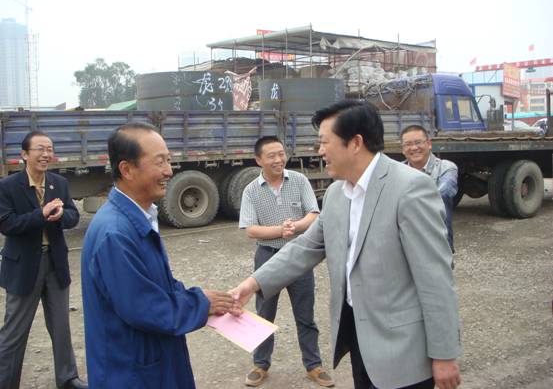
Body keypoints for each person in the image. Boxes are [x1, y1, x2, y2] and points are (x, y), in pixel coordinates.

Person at [231, 100, 462, 389]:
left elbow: (435, 277)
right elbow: (304, 248)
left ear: (355, 143)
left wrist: (444, 354)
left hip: (404, 350)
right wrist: (251, 284)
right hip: (358, 339)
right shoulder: (336, 194)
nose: (320, 151)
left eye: (324, 142)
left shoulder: (410, 188)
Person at [80, 123, 237, 388]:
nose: (169, 170)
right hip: (130, 372)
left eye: (169, 160)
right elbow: (144, 308)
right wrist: (200, 304)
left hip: (149, 359)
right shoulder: (115, 233)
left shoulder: (138, 217)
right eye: (159, 162)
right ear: (127, 169)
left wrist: (200, 298)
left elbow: (155, 283)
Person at [239, 136, 334, 387]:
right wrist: (280, 230)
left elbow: (313, 213)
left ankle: (313, 365)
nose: (278, 159)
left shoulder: (299, 180)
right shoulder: (251, 190)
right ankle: (261, 364)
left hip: (300, 256)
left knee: (305, 314)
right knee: (264, 313)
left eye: (281, 154)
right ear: (258, 160)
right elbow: (250, 230)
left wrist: (297, 226)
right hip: (267, 256)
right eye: (271, 155)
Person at [0, 131, 87, 389]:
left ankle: (68, 378)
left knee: (61, 326)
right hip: (23, 266)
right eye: (40, 149)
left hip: (55, 263)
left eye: (49, 149)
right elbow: (7, 224)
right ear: (24, 154)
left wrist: (60, 216)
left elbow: (72, 216)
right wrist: (41, 214)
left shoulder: (58, 183)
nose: (46, 154)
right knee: (14, 332)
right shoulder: (8, 186)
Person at [400, 125, 458, 251]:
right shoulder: (396, 172)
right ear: (403, 149)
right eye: (408, 144)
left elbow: (443, 194)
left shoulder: (446, 168)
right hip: (405, 242)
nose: (414, 148)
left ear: (429, 144)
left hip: (437, 241)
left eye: (418, 142)